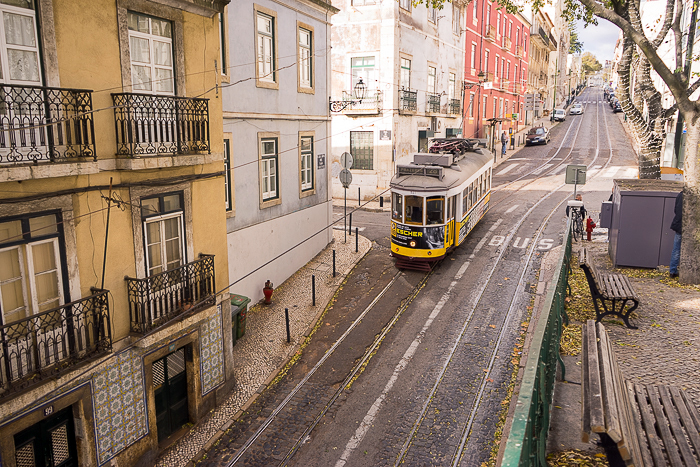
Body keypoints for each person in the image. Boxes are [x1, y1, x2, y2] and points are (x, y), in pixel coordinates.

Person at [669, 191, 683, 278]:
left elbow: (676, 209)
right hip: (685, 225)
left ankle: (672, 271)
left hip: (679, 224)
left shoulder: (680, 195)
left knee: (676, 249)